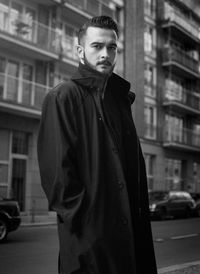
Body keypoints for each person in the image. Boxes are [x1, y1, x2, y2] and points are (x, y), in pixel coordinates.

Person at [37, 15, 157, 274]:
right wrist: (89, 227)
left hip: (131, 240)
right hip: (90, 245)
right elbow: (59, 180)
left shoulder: (119, 100)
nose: (106, 53)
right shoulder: (62, 97)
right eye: (97, 46)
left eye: (111, 47)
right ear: (80, 51)